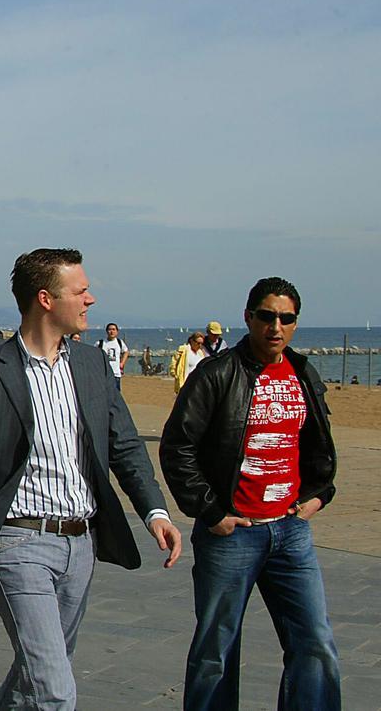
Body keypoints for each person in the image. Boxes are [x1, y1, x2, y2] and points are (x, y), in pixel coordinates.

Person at [0, 248, 181, 710]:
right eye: (80, 291)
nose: (90, 300)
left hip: (81, 545)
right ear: (46, 299)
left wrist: (155, 511)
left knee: (35, 678)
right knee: (55, 689)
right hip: (17, 544)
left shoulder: (93, 366)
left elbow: (124, 444)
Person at [159, 277, 339, 710]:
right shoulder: (217, 374)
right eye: (267, 316)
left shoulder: (303, 372)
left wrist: (319, 494)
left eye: (287, 318)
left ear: (296, 323)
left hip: (291, 531)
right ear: (248, 317)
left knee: (315, 643)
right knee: (216, 653)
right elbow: (177, 446)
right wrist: (212, 511)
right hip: (232, 533)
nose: (276, 327)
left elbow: (318, 444)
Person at [97, 322, 130, 391]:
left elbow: (126, 352)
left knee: (115, 394)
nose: (111, 331)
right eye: (109, 329)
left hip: (116, 374)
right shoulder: (100, 343)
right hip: (103, 374)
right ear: (106, 331)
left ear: (117, 331)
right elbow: (93, 354)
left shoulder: (119, 342)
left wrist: (122, 363)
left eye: (113, 329)